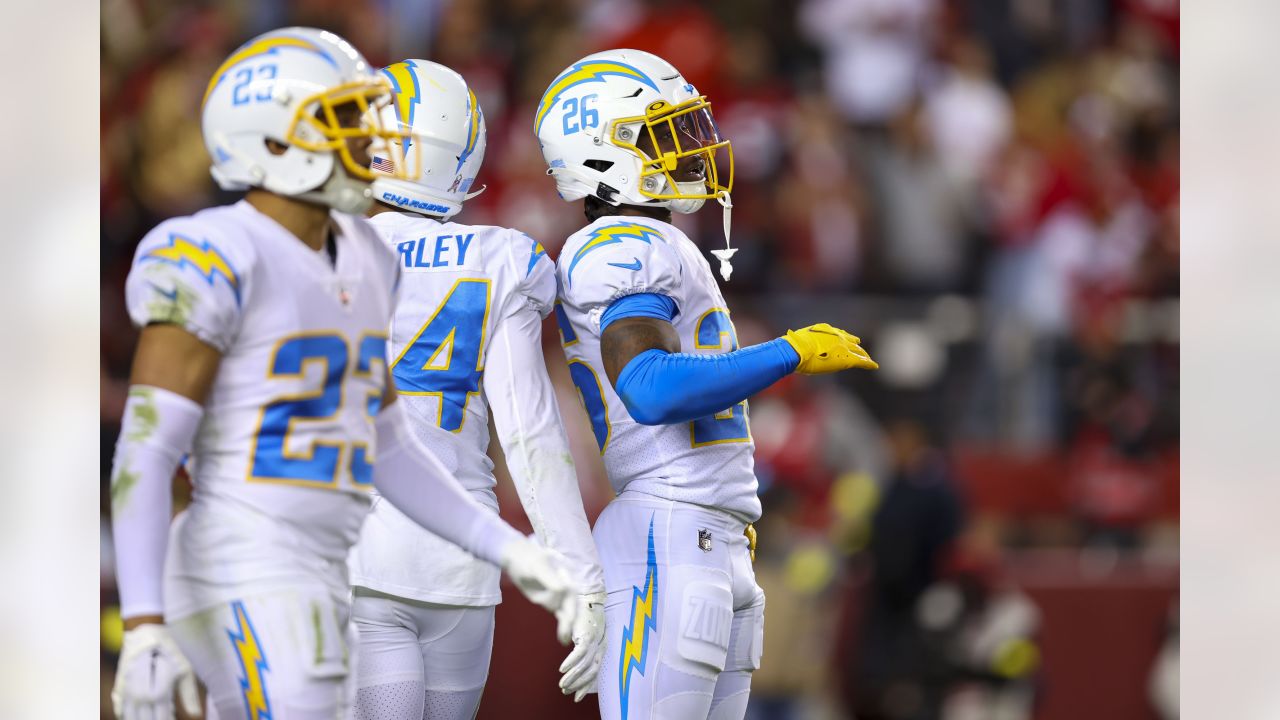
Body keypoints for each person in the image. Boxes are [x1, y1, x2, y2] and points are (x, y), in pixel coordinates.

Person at [109, 28, 578, 720]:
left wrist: (510, 546)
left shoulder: (364, 258)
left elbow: (390, 448)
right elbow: (146, 456)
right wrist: (145, 619)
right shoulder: (204, 254)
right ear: (269, 141)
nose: (369, 145)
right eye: (344, 122)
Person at [534, 48, 880, 720]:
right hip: (668, 532)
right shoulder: (618, 245)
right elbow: (649, 386)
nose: (692, 148)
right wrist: (789, 353)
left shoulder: (657, 241)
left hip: (711, 538)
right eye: (665, 133)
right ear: (604, 152)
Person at [346, 59, 607, 719]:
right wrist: (583, 577)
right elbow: (530, 433)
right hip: (462, 569)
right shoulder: (497, 258)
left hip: (358, 559)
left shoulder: (320, 249)